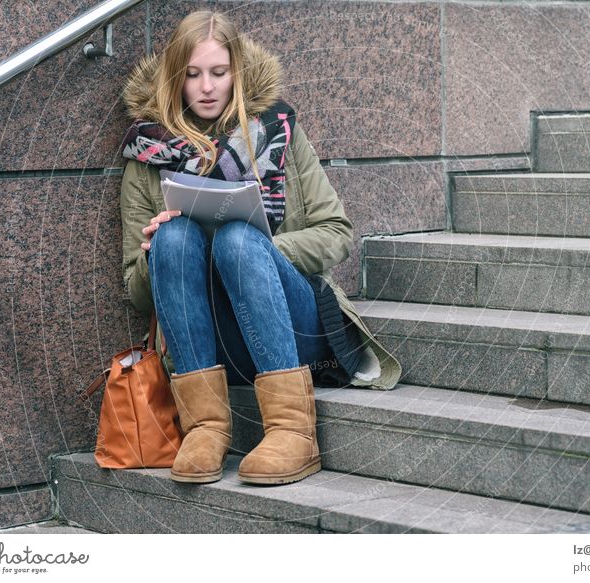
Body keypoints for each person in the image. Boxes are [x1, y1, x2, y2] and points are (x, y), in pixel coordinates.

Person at [119, 10, 400, 486]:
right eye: (192, 75)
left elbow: (336, 231)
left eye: (218, 72)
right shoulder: (147, 156)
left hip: (295, 327)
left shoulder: (278, 133)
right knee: (172, 237)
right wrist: (153, 254)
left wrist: (260, 248)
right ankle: (205, 428)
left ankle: (292, 431)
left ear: (238, 73)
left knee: (237, 239)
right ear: (175, 79)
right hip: (210, 339)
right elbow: (136, 292)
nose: (206, 87)